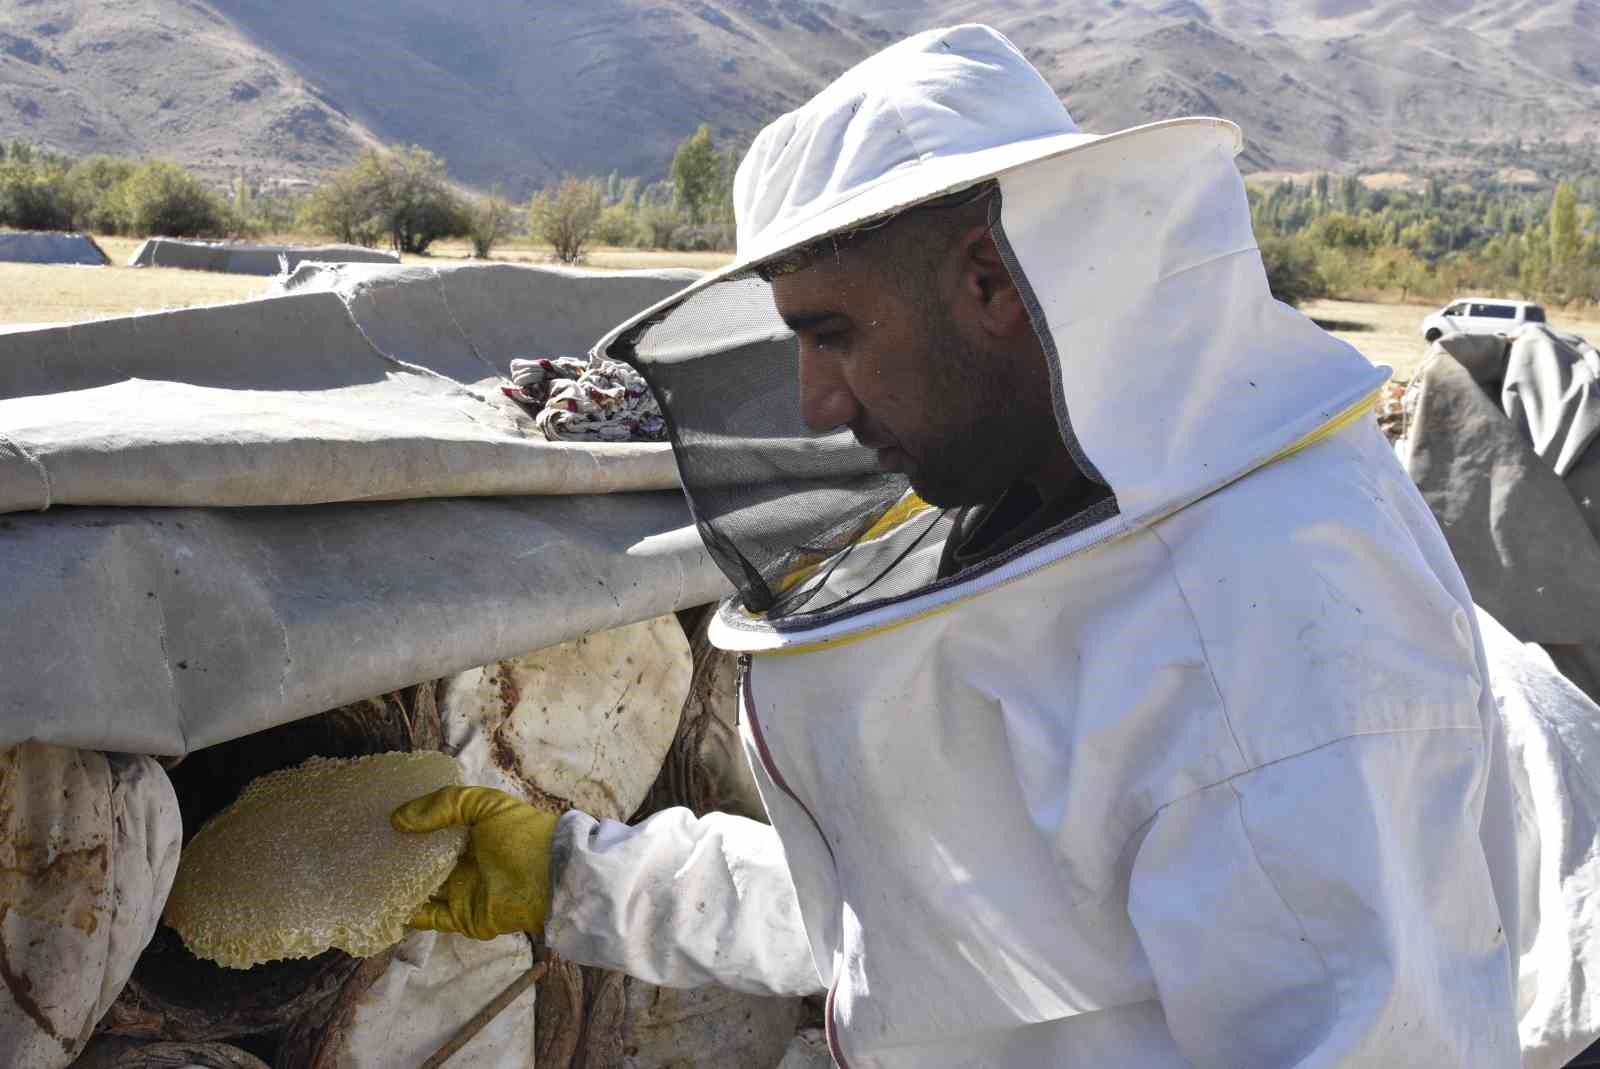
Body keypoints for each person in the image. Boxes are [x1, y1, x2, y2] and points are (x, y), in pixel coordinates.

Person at [394, 25, 1531, 1067]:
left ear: (990, 282)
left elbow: (1369, 1038)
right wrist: (573, 875)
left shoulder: (1264, 606)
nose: (814, 401)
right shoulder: (1056, 503)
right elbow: (945, 903)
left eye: (830, 334)